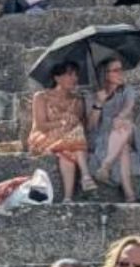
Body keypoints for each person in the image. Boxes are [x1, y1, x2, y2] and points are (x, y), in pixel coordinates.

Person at [87, 58, 140, 204]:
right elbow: (90, 126)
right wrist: (99, 103)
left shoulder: (127, 90)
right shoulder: (93, 95)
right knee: (123, 148)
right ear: (105, 74)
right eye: (116, 70)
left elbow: (128, 108)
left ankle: (106, 165)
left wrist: (119, 117)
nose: (121, 73)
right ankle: (129, 194)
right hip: (103, 136)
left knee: (124, 125)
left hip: (129, 131)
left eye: (121, 69)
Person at [29, 62, 94, 202]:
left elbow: (80, 125)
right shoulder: (41, 97)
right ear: (57, 78)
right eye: (70, 74)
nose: (75, 78)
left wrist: (73, 120)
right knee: (74, 136)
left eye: (76, 74)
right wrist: (63, 122)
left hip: (69, 140)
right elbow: (41, 125)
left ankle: (67, 198)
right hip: (43, 137)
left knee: (67, 153)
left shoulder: (77, 100)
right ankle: (86, 174)